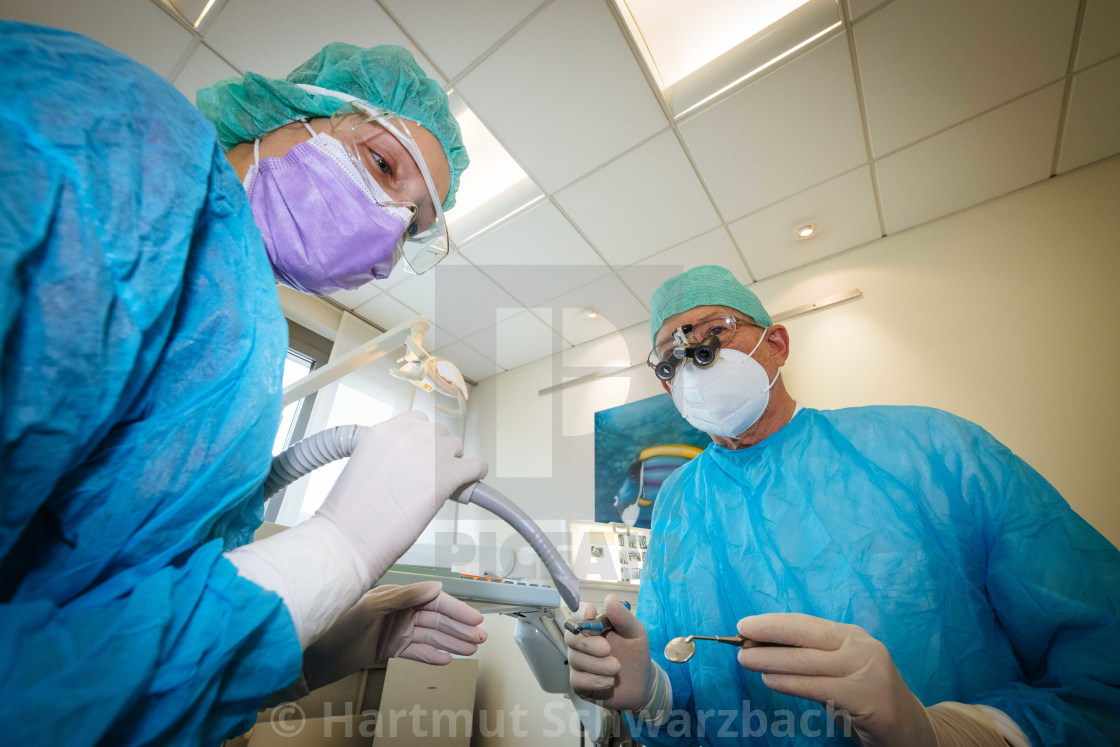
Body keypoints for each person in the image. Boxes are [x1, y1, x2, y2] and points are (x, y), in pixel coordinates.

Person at [0, 22, 487, 745]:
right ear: (289, 113)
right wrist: (335, 549)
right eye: (384, 165)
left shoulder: (238, 336)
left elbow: (126, 620)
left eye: (414, 227)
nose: (387, 233)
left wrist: (333, 640)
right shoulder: (117, 152)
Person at [565, 264, 1120, 745]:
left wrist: (956, 734)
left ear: (776, 344)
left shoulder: (930, 449)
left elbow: (1099, 649)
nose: (694, 360)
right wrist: (653, 693)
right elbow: (683, 672)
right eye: (671, 359)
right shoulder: (680, 500)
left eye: (716, 332)